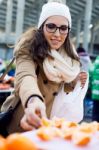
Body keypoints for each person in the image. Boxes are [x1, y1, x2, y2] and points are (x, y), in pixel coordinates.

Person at [1, 0, 87, 134]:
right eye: (51, 26)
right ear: (42, 26)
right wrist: (33, 99)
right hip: (19, 122)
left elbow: (61, 89)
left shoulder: (69, 60)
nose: (57, 34)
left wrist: (73, 82)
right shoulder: (28, 48)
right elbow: (25, 77)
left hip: (46, 125)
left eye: (63, 28)